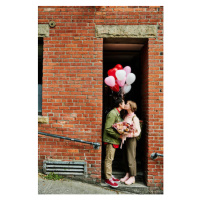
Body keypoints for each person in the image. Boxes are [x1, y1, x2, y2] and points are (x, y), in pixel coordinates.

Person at [103, 97, 125, 188]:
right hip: (110, 140)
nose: (125, 104)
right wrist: (118, 136)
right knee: (109, 159)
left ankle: (110, 174)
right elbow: (108, 128)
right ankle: (108, 179)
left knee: (111, 159)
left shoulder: (117, 113)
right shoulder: (112, 113)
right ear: (120, 104)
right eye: (124, 103)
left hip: (113, 140)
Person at [120, 100, 141, 185]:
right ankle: (127, 174)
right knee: (126, 157)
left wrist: (131, 134)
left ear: (131, 107)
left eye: (127, 104)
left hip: (131, 139)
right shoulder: (126, 116)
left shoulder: (134, 118)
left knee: (131, 157)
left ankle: (132, 177)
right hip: (125, 139)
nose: (125, 105)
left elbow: (138, 131)